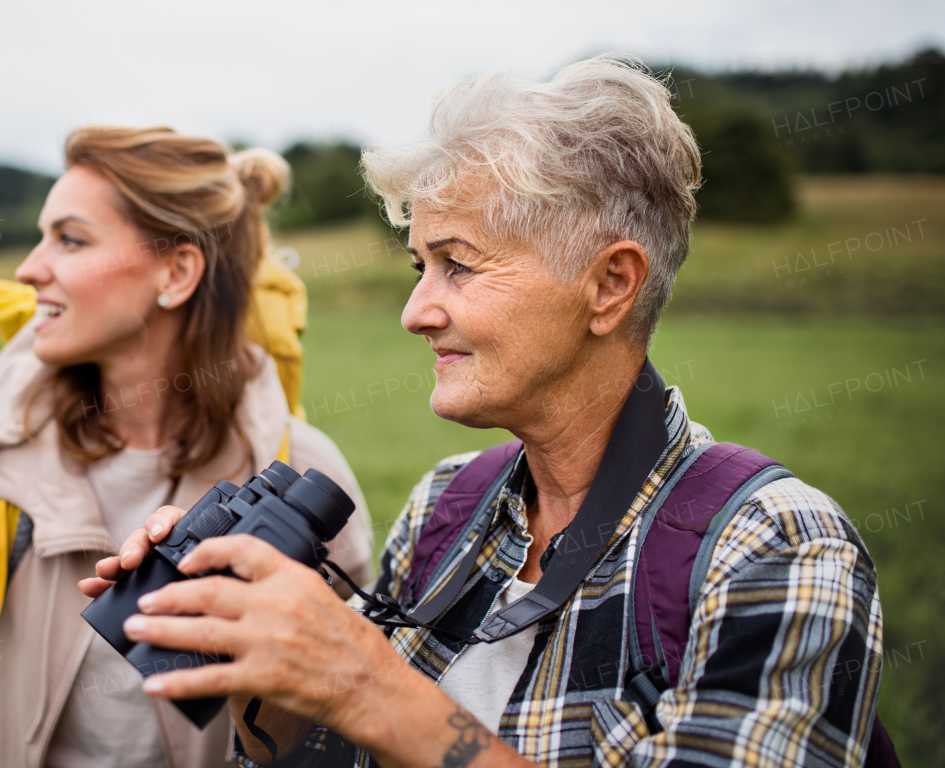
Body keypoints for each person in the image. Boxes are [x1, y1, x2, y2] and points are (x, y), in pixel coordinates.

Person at [82, 57, 884, 767]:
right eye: (418, 265)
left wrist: (370, 683)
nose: (415, 311)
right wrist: (270, 655)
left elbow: (389, 714)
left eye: (457, 265)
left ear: (610, 285)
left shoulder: (772, 546)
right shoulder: (447, 505)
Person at [0, 126, 374, 768]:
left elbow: (342, 720)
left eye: (69, 238)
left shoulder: (301, 475)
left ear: (175, 271)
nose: (29, 270)